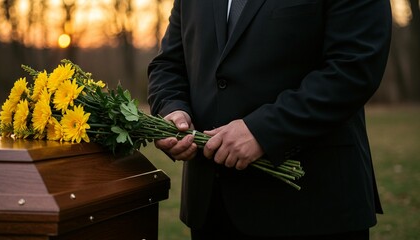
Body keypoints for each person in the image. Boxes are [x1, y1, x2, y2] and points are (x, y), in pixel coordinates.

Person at [147, 0, 392, 239]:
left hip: (313, 208)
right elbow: (168, 63)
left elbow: (354, 67)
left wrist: (262, 131)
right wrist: (172, 108)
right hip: (212, 208)